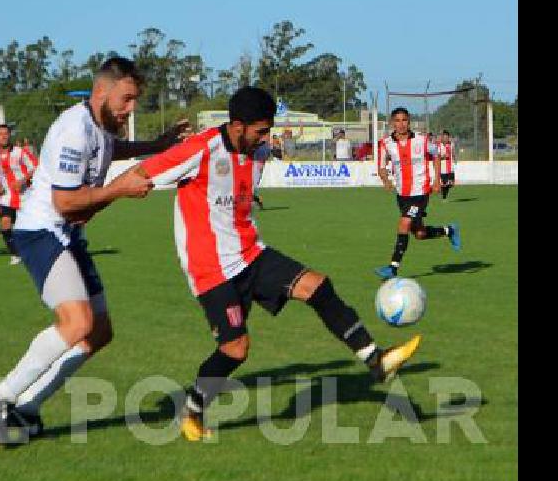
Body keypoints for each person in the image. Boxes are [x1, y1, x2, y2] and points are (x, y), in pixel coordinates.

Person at [126, 87, 422, 441]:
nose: (267, 139)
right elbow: (141, 172)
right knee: (235, 350)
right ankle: (192, 411)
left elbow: (237, 183)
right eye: (261, 131)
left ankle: (377, 361)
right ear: (237, 125)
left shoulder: (257, 151)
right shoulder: (201, 149)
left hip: (252, 253)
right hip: (212, 269)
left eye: (268, 131)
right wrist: (90, 202)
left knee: (318, 286)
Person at [0, 57, 190, 446]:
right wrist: (120, 189)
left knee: (99, 333)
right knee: (77, 323)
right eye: (126, 100)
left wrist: (156, 146)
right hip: (42, 230)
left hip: (67, 234)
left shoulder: (99, 125)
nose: (130, 109)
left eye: (134, 101)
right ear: (102, 91)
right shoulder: (73, 130)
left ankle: (28, 406)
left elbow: (114, 147)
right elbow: (65, 203)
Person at [373, 108, 461, 280]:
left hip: (420, 192)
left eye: (404, 120)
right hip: (402, 195)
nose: (401, 124)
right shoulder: (385, 144)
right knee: (419, 234)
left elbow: (436, 154)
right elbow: (381, 167)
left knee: (404, 223)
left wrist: (436, 180)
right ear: (392, 123)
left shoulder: (422, 140)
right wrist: (385, 180)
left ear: (409, 121)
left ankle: (392, 267)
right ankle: (449, 230)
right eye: (397, 120)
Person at [0, 124, 37, 265]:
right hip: (7, 196)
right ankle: (15, 254)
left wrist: (23, 180)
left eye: (6, 133)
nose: (4, 136)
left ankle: (35, 250)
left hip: (26, 195)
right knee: (4, 224)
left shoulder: (20, 152)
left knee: (30, 226)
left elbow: (35, 166)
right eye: (0, 134)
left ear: (10, 135)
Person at [439, 130, 457, 199]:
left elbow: (453, 152)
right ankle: (444, 195)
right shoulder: (439, 145)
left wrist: (455, 158)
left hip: (450, 168)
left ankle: (444, 193)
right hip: (443, 169)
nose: (446, 139)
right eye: (444, 137)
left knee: (451, 184)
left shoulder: (451, 144)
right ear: (442, 138)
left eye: (447, 137)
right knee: (445, 184)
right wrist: (443, 157)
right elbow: (436, 158)